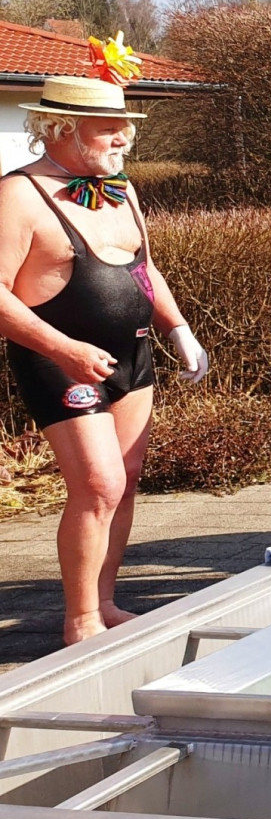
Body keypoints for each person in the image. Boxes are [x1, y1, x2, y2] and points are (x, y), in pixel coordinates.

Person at [0, 74, 210, 645]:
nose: (124, 139)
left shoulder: (121, 190)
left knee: (127, 480)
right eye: (111, 129)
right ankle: (80, 620)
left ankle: (105, 601)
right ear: (64, 129)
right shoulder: (19, 194)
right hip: (60, 359)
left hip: (132, 354)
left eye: (126, 128)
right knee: (98, 485)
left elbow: (142, 268)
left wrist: (179, 327)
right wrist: (62, 348)